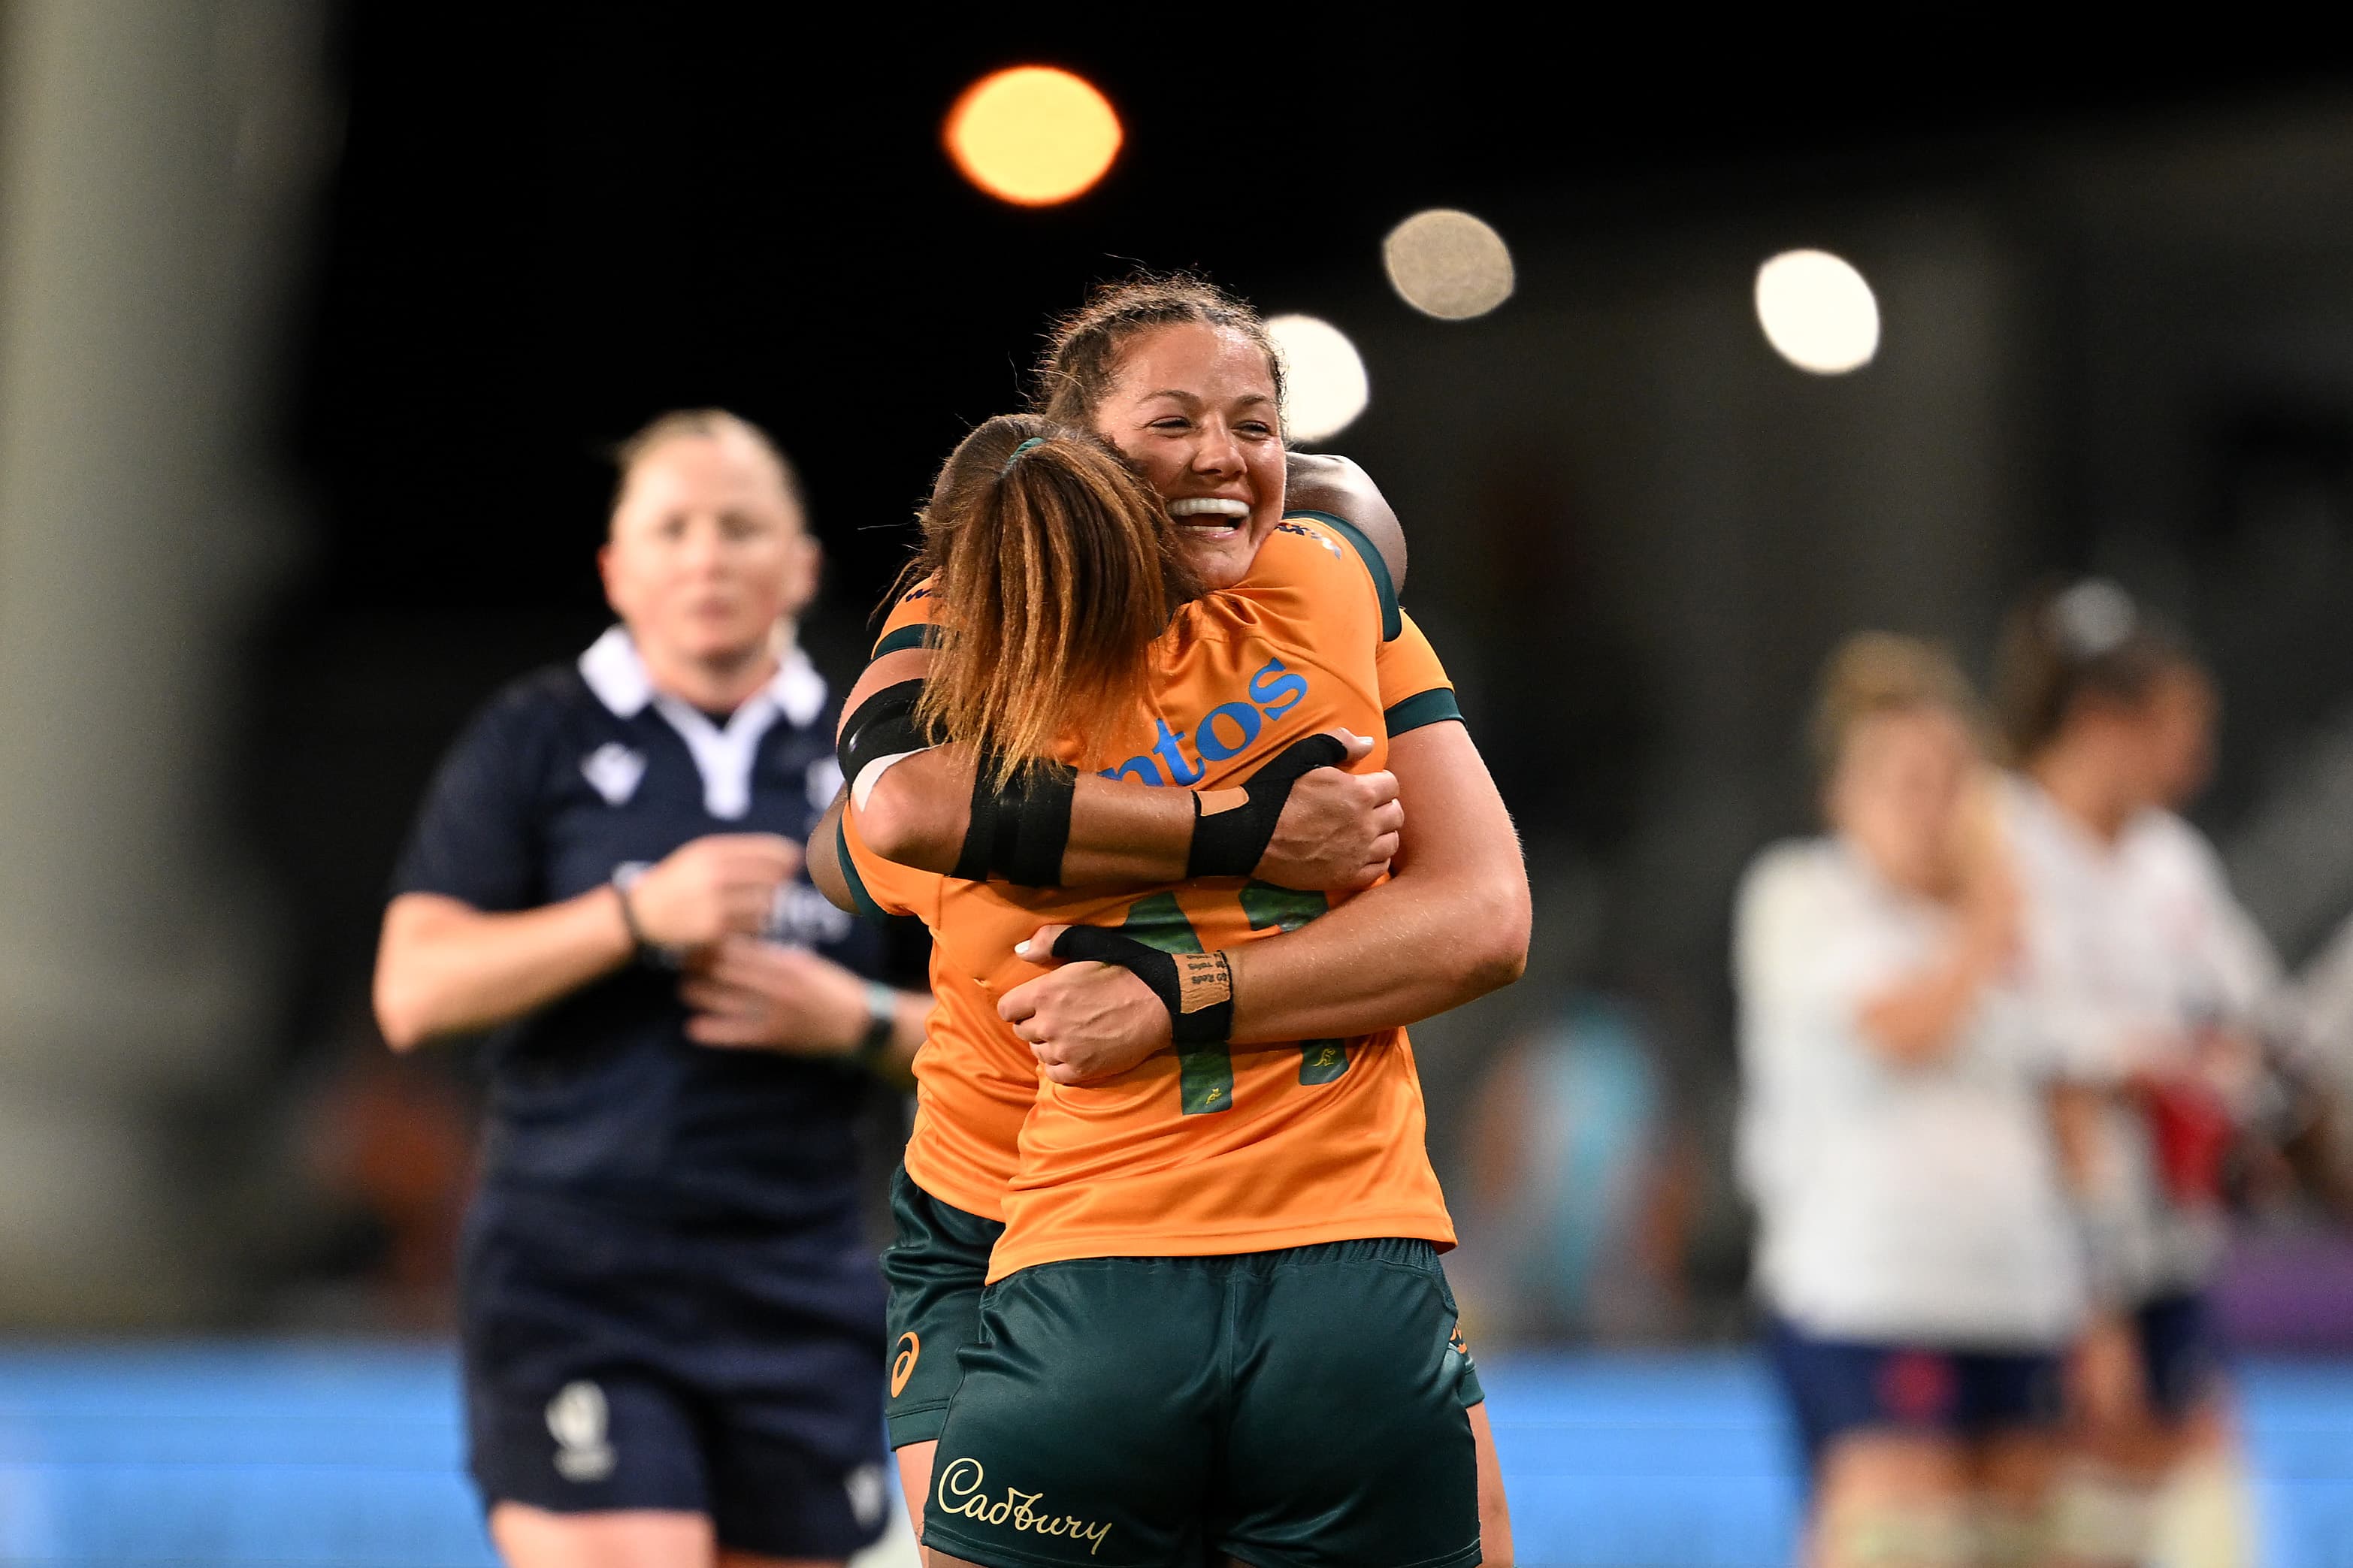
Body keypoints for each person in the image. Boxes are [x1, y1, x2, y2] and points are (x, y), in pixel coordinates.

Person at [824, 275, 1529, 1568]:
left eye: (1252, 424)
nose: (1223, 456)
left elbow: (869, 830)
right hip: (1273, 1255)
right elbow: (1358, 505)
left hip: (1069, 1248)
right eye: (1175, 425)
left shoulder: (971, 670)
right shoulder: (1331, 598)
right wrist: (1238, 828)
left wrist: (1176, 984)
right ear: (1079, 458)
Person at [372, 410, 930, 1568]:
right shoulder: (536, 738)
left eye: (740, 525)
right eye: (670, 527)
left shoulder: (881, 761)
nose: (706, 555)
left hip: (801, 1270)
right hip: (578, 1272)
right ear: (616, 569)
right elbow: (413, 989)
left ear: (803, 563)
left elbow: (1010, 1031)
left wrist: (854, 1019)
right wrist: (633, 916)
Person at [1735, 633, 2084, 1568]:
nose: (1934, 807)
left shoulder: (2009, 925)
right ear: (1841, 793)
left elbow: (2066, 1101)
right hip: (1871, 1301)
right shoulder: (1803, 895)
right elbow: (1902, 1024)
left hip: (2019, 1300)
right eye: (1906, 780)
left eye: (1952, 779)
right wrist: (1989, 919)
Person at [1993, 581, 2280, 1568]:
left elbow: (2250, 1022)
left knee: (2196, 1511)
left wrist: (2218, 1084)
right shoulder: (1997, 840)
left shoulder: (2169, 860)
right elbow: (2042, 1069)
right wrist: (2089, 1299)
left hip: (2167, 1239)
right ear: (2098, 720)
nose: (2189, 749)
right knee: (2080, 1518)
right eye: (2167, 720)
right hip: (2043, 1255)